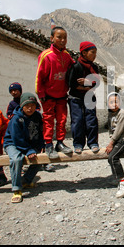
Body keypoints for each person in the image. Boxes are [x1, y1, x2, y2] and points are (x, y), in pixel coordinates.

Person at [35, 26, 75, 158]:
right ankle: (48, 145)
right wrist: (41, 94)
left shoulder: (67, 56)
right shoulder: (46, 55)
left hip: (62, 95)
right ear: (52, 38)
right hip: (48, 96)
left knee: (62, 120)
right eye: (59, 37)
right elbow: (39, 77)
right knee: (48, 121)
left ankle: (60, 143)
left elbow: (74, 67)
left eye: (65, 37)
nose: (62, 40)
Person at [3, 92, 45, 203]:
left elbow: (40, 133)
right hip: (13, 143)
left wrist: (41, 145)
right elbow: (17, 138)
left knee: (40, 158)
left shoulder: (37, 116)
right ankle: (17, 189)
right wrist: (28, 150)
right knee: (17, 159)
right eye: (27, 106)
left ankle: (26, 180)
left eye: (32, 105)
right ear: (22, 106)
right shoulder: (16, 119)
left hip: (28, 143)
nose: (30, 108)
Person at [68, 41, 100, 154]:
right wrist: (88, 86)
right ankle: (78, 144)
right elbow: (72, 84)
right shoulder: (75, 67)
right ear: (84, 53)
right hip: (75, 98)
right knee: (77, 121)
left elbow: (97, 83)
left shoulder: (94, 68)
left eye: (96, 53)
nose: (95, 55)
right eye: (93, 52)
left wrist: (87, 82)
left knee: (91, 120)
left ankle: (93, 143)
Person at [106, 92, 124, 198]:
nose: (114, 104)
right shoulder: (111, 113)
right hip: (118, 140)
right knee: (110, 156)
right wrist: (112, 140)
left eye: (116, 101)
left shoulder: (122, 113)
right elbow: (111, 128)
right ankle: (117, 178)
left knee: (113, 157)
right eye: (111, 102)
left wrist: (111, 143)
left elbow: (118, 130)